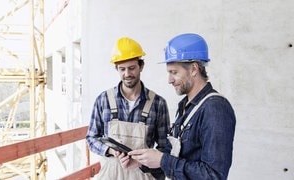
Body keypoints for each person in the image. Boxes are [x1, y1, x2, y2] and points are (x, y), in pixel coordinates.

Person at [122, 33, 236, 180]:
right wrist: (143, 162)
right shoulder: (185, 106)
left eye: (174, 72)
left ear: (194, 69)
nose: (169, 80)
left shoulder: (215, 109)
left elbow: (214, 175)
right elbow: (174, 158)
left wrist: (163, 160)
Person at [86, 37, 171, 179]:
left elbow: (165, 148)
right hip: (111, 174)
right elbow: (91, 138)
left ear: (141, 66)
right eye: (122, 69)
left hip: (143, 174)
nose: (127, 74)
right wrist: (111, 150)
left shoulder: (158, 103)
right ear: (116, 69)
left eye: (132, 68)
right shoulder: (103, 100)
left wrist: (143, 161)